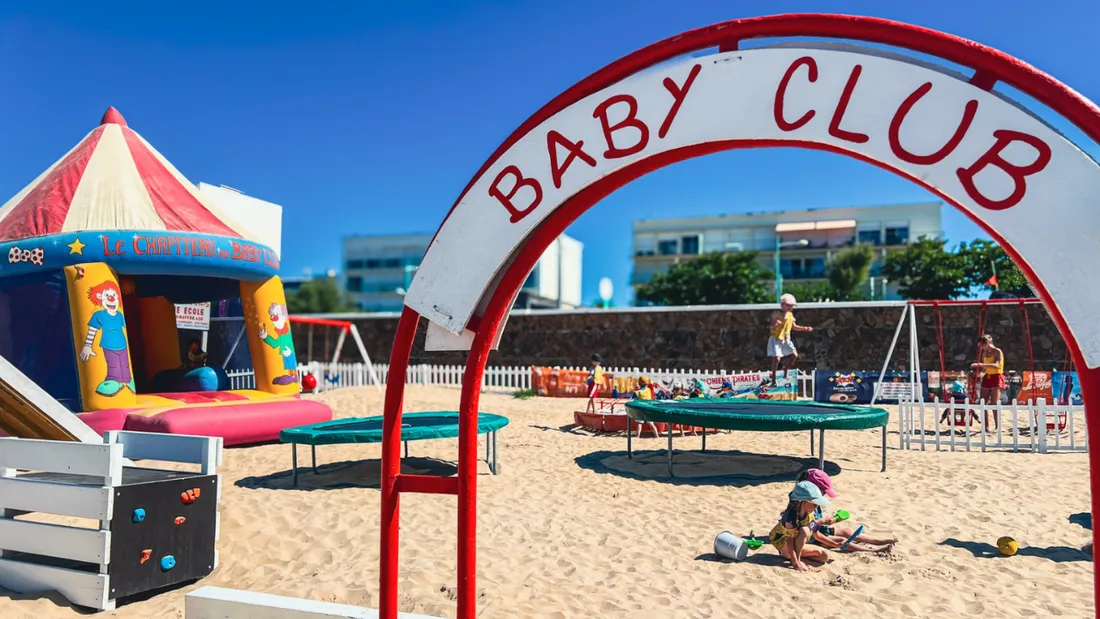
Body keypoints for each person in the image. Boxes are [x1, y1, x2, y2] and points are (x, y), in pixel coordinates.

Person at [796, 469, 897, 552]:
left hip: (816, 530)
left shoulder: (811, 498)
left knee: (846, 531)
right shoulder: (803, 503)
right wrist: (822, 523)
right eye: (823, 492)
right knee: (843, 541)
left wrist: (830, 520)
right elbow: (808, 527)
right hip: (810, 538)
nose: (824, 495)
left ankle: (878, 540)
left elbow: (814, 522)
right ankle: (872, 550)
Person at [768, 481, 831, 572]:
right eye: (814, 504)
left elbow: (815, 532)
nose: (816, 507)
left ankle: (798, 557)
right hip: (783, 544)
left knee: (824, 556)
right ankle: (796, 559)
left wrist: (835, 544)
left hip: (796, 544)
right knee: (804, 530)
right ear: (803, 502)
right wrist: (796, 563)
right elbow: (790, 542)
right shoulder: (791, 518)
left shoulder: (808, 514)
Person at [768, 293, 813, 385]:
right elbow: (771, 326)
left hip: (786, 338)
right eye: (788, 305)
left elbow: (794, 326)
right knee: (776, 358)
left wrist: (805, 328)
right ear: (782, 305)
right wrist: (775, 324)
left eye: (791, 306)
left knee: (794, 355)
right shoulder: (776, 314)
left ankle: (785, 368)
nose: (790, 307)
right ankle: (774, 377)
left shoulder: (790, 315)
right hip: (776, 338)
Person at [971, 334, 1004, 430]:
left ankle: (998, 426)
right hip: (987, 377)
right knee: (983, 402)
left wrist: (980, 364)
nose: (981, 348)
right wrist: (976, 372)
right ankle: (986, 426)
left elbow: (997, 365)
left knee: (994, 403)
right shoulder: (984, 353)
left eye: (982, 346)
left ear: (987, 343)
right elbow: (985, 368)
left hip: (997, 376)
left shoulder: (997, 351)